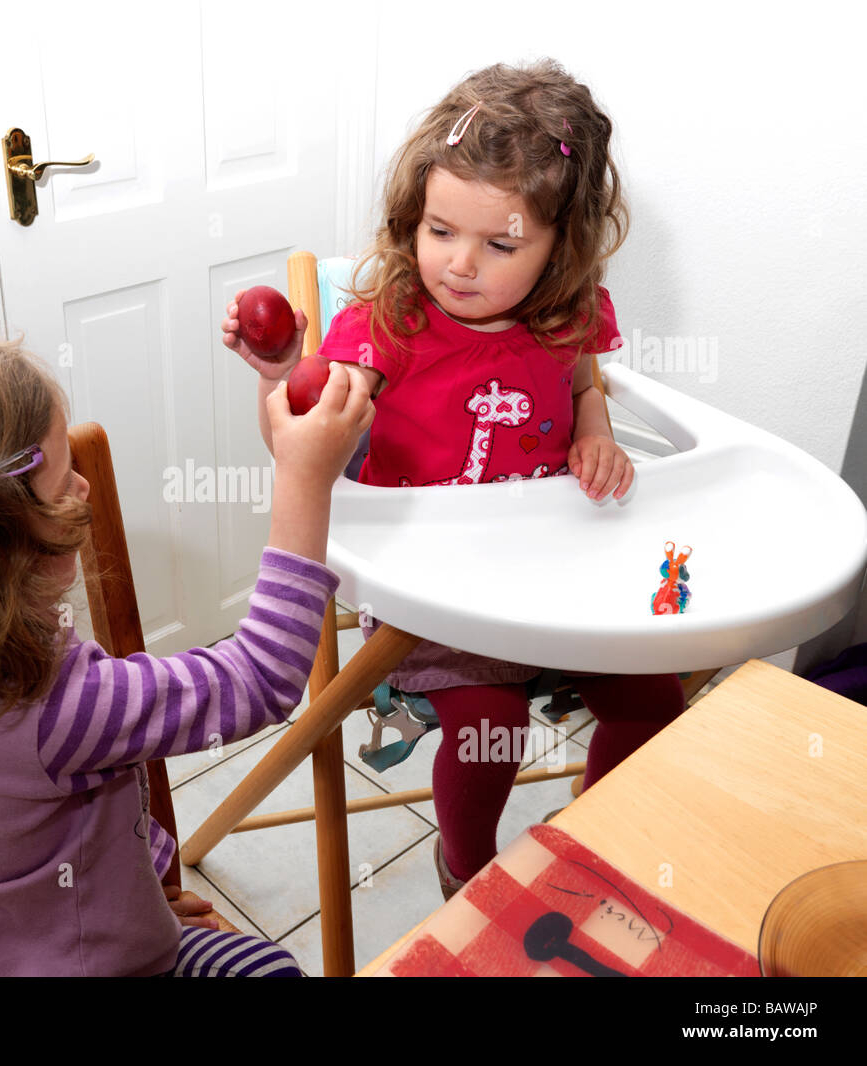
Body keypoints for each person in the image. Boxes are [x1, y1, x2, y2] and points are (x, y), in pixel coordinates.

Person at [0, 333, 373, 975]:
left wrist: (147, 886)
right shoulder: (53, 709)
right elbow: (261, 680)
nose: (83, 487)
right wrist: (305, 480)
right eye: (60, 482)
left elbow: (77, 804)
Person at [223, 59, 684, 901]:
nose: (461, 264)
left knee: (658, 700)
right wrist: (282, 373)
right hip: (434, 583)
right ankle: (467, 869)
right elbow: (305, 432)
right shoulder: (388, 321)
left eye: (501, 243)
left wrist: (594, 432)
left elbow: (583, 380)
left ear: (561, 248)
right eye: (441, 231)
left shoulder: (569, 311)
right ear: (414, 217)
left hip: (554, 565)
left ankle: (597, 835)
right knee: (493, 731)